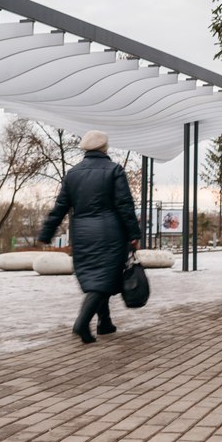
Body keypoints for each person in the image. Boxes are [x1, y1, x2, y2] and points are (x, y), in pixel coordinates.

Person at [38, 130, 142, 344]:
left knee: (98, 277)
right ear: (104, 148)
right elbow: (124, 205)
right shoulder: (114, 170)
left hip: (82, 234)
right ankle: (82, 323)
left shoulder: (73, 174)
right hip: (110, 232)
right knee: (104, 280)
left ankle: (105, 323)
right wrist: (133, 234)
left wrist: (47, 232)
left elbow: (60, 207)